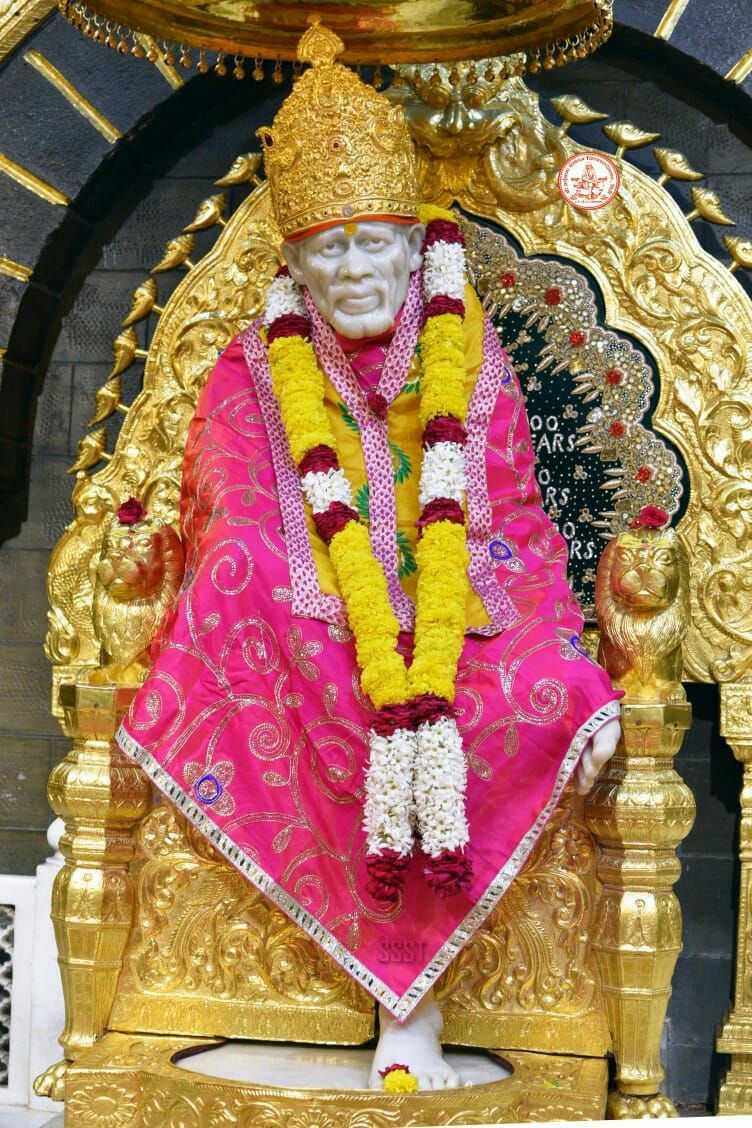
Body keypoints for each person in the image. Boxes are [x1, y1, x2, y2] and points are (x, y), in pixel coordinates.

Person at [116, 24, 621, 1092]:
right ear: (297, 266)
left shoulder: (467, 355)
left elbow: (517, 521)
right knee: (242, 591)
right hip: (305, 626)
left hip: (459, 617)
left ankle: (422, 999)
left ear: (411, 247)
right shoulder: (252, 366)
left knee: (546, 689)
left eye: (370, 244)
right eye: (328, 250)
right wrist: (316, 595)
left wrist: (564, 653)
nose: (352, 270)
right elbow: (232, 514)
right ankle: (374, 997)